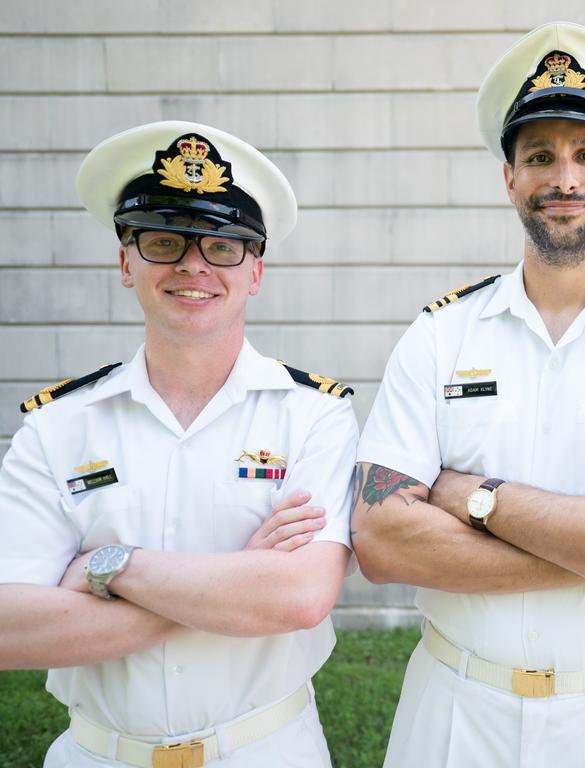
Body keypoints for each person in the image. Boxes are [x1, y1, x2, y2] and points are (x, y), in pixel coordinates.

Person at [352, 21, 585, 768]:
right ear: (510, 178)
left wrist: (473, 499)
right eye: (540, 156)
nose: (565, 178)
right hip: (455, 712)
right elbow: (381, 540)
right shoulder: (440, 337)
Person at [0, 121, 358, 767]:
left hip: (265, 750)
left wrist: (111, 567)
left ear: (255, 272)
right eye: (164, 242)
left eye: (223, 246)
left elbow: (297, 598)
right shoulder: (57, 427)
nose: (193, 265)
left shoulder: (313, 416)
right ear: (125, 262)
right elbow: (11, 630)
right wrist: (237, 589)